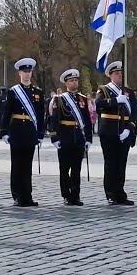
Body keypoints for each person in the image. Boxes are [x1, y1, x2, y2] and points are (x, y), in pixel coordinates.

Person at [0, 57, 45, 207]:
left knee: (27, 166)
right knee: (17, 165)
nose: (27, 74)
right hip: (17, 130)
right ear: (19, 73)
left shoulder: (37, 92)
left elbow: (40, 114)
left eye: (29, 71)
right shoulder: (13, 92)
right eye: (24, 71)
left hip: (30, 131)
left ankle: (28, 195)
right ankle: (18, 195)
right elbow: (6, 112)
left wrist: (40, 133)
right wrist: (4, 131)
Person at [94, 61, 137, 202]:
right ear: (111, 75)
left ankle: (120, 193)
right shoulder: (104, 90)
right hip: (109, 130)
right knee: (111, 163)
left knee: (121, 163)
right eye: (117, 74)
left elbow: (135, 113)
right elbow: (99, 106)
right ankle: (111, 194)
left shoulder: (129, 92)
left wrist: (129, 129)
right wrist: (115, 100)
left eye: (121, 73)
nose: (119, 76)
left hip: (124, 130)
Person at [50, 68, 93, 205]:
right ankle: (66, 194)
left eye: (76, 80)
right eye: (71, 81)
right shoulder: (60, 99)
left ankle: (75, 195)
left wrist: (89, 138)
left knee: (76, 169)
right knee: (64, 169)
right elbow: (54, 120)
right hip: (65, 136)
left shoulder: (83, 99)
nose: (74, 83)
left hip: (78, 137)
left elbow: (87, 120)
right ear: (66, 83)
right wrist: (54, 137)